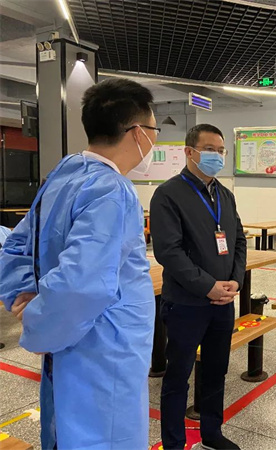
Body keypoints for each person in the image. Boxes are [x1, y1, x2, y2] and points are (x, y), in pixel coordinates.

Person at [0, 78, 157, 449]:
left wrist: (26, 297)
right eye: (154, 131)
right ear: (137, 133)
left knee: (66, 430)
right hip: (105, 347)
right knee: (104, 435)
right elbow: (83, 284)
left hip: (71, 339)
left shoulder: (65, 174)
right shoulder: (113, 191)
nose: (154, 140)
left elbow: (18, 244)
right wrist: (40, 324)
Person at [151, 124, 246, 450]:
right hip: (186, 304)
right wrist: (208, 286)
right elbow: (169, 252)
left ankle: (211, 433)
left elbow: (238, 241)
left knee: (216, 371)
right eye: (209, 150)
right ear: (189, 152)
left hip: (223, 303)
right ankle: (174, 443)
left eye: (220, 151)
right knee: (178, 376)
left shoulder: (225, 195)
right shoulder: (168, 195)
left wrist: (235, 280)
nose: (216, 156)